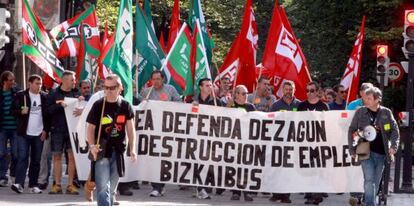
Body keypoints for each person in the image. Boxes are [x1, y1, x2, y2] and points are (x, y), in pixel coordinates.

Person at [87, 74, 137, 206]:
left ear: (120, 88)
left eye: (112, 88)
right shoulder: (98, 105)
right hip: (102, 150)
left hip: (118, 150)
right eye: (106, 88)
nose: (108, 91)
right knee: (103, 186)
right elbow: (90, 128)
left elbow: (131, 130)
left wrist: (133, 149)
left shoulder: (125, 106)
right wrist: (91, 145)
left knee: (112, 186)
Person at [348, 87, 399, 206]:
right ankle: (370, 204)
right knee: (369, 179)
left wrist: (394, 146)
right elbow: (351, 129)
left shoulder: (386, 112)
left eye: (368, 98)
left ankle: (366, 200)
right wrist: (352, 149)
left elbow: (395, 130)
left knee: (376, 181)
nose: (365, 100)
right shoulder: (360, 112)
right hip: (364, 151)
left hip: (382, 152)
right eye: (364, 97)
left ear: (377, 99)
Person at [141, 70, 181, 197]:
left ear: (163, 79)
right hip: (152, 130)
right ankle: (156, 187)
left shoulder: (170, 89)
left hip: (168, 129)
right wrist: (144, 102)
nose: (156, 81)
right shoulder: (146, 91)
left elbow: (180, 104)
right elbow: (140, 107)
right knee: (153, 158)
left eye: (158, 79)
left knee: (164, 159)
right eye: (154, 79)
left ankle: (160, 185)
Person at [11, 75, 49, 194]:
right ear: (29, 83)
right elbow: (12, 111)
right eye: (37, 83)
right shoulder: (21, 95)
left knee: (36, 160)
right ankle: (19, 184)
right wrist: (20, 111)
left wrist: (46, 130)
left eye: (40, 84)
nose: (39, 86)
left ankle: (33, 185)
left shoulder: (44, 96)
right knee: (22, 157)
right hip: (24, 133)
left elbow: (48, 115)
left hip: (39, 134)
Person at [187, 78, 224, 199]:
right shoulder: (192, 101)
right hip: (195, 136)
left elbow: (225, 117)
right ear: (201, 87)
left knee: (207, 162)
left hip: (211, 137)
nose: (210, 87)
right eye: (207, 85)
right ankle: (199, 187)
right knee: (196, 162)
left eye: (211, 85)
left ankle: (203, 187)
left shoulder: (216, 101)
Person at [47, 71, 80, 195]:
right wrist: (60, 105)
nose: (74, 82)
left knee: (72, 157)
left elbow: (83, 110)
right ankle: (57, 185)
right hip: (57, 130)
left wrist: (81, 104)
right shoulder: (54, 94)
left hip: (72, 130)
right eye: (72, 80)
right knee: (57, 157)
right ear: (65, 80)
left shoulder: (76, 93)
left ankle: (71, 185)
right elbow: (47, 111)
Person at [269, 80, 300, 204]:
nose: (288, 91)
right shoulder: (276, 105)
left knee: (288, 169)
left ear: (294, 90)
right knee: (277, 168)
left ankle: (286, 195)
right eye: (286, 89)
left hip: (293, 142)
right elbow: (269, 121)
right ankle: (276, 193)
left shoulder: (299, 105)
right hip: (278, 142)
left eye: (291, 89)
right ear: (282, 90)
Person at [298, 81, 329, 205]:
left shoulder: (324, 107)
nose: (309, 93)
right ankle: (310, 192)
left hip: (320, 143)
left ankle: (316, 194)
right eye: (307, 90)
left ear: (317, 92)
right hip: (305, 142)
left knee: (318, 168)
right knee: (307, 168)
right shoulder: (301, 106)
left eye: (312, 90)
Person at [228, 85, 255, 202]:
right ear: (236, 94)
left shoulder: (250, 107)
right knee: (235, 168)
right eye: (243, 93)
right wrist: (227, 107)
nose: (246, 95)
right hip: (234, 142)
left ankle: (247, 191)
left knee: (246, 168)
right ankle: (236, 192)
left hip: (247, 141)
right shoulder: (231, 106)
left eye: (246, 93)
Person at [0, 71, 19, 187]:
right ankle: (2, 177)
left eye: (13, 80)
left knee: (15, 153)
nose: (13, 82)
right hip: (2, 128)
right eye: (11, 80)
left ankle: (13, 175)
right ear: (4, 81)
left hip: (15, 128)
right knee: (2, 153)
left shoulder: (17, 92)